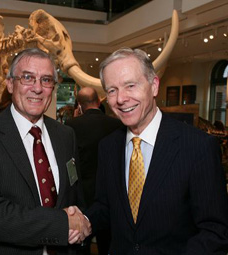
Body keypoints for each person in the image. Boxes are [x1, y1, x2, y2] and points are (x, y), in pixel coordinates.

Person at [75, 47, 228, 254]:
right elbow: (105, 206)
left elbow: (215, 230)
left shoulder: (198, 147)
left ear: (154, 86)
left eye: (130, 85)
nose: (121, 99)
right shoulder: (108, 147)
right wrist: (83, 221)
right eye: (112, 90)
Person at [0, 48, 91, 255]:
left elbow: (75, 197)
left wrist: (84, 223)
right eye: (28, 78)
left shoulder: (66, 135)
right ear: (10, 84)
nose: (37, 88)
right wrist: (62, 224)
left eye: (46, 80)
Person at [65, 87, 123, 255]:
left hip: (82, 194)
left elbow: (69, 163)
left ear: (80, 105)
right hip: (110, 194)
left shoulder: (71, 125)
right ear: (98, 102)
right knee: (107, 243)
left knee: (81, 243)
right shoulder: (117, 124)